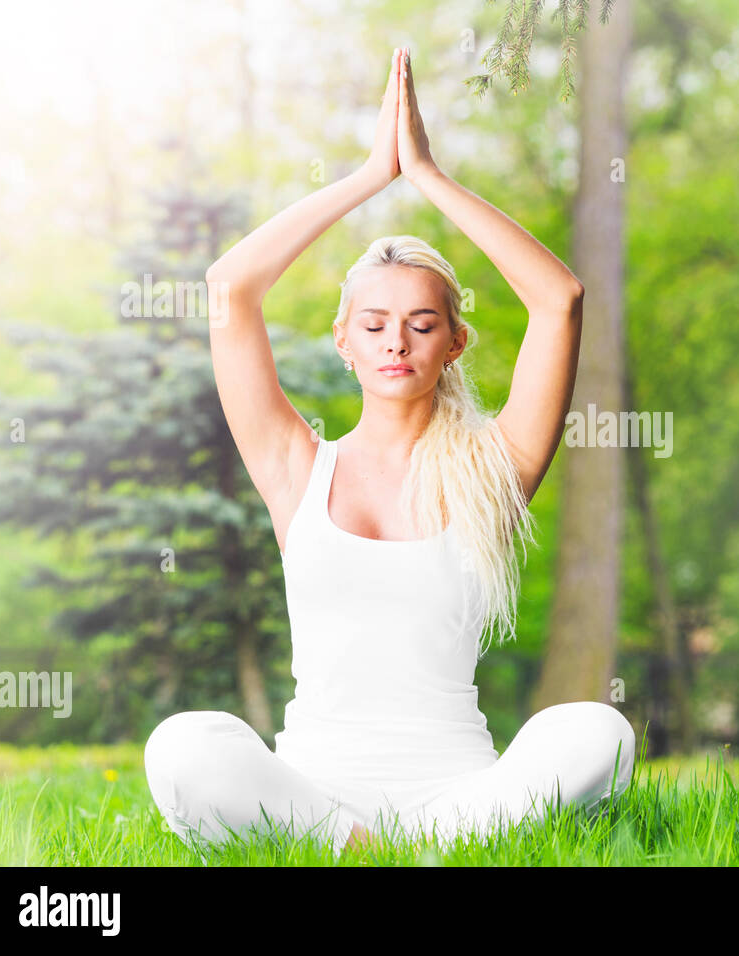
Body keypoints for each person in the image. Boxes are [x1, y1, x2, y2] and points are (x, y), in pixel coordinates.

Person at [144, 47, 636, 857]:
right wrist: (374, 174)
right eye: (372, 323)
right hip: (311, 790)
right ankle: (362, 845)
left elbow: (560, 300)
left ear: (453, 341)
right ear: (344, 340)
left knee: (598, 732)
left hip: (460, 793)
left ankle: (425, 843)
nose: (395, 342)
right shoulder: (297, 468)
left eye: (421, 322)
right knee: (182, 746)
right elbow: (230, 289)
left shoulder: (492, 469)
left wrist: (430, 177)